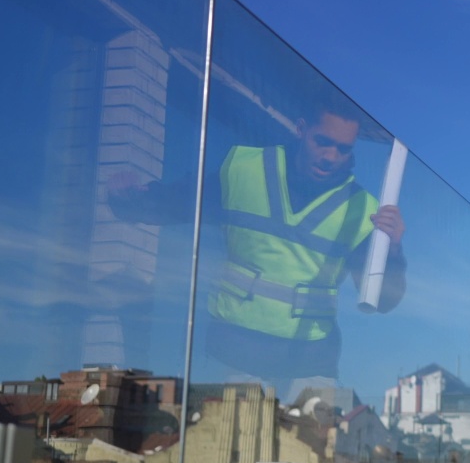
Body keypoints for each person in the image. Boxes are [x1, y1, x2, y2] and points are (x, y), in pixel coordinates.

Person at [110, 102, 407, 382]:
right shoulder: (244, 171)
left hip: (310, 364)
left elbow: (382, 301)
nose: (331, 157)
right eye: (323, 142)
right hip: (233, 354)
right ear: (301, 129)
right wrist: (130, 199)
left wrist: (392, 249)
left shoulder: (363, 211)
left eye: (343, 149)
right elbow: (177, 202)